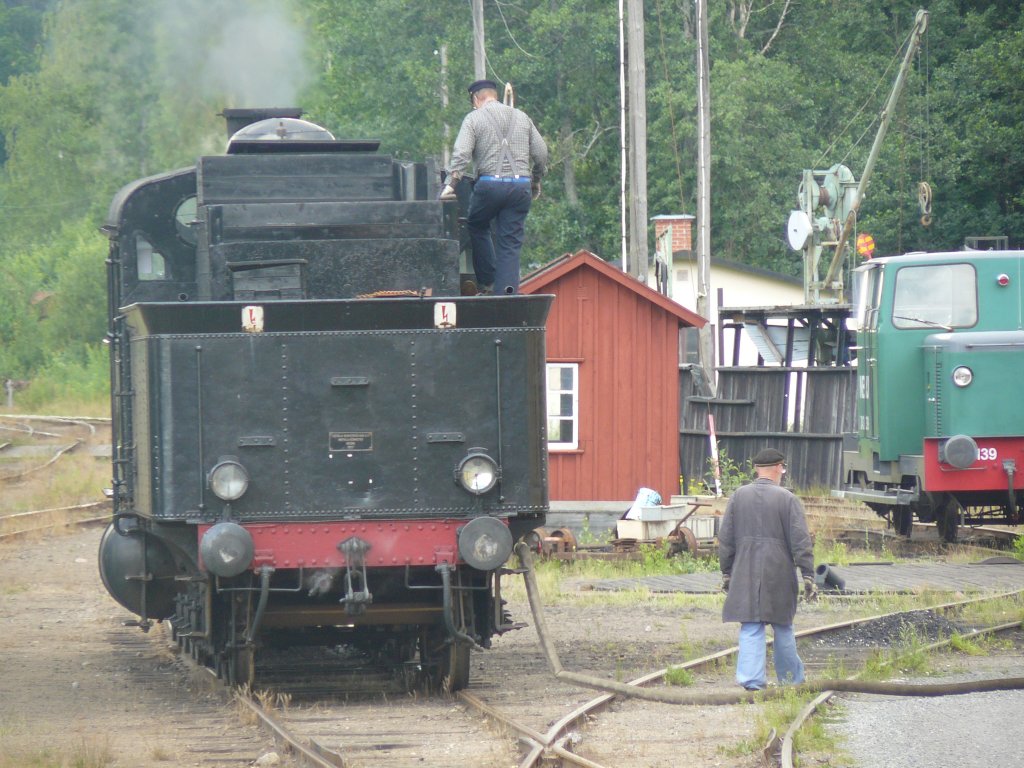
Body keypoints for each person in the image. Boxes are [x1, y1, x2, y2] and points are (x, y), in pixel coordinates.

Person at [719, 448, 815, 691]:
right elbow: (801, 540)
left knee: (751, 625)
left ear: (757, 469)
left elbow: (726, 538)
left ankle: (752, 682)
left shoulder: (738, 497)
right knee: (783, 625)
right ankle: (791, 681)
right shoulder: (788, 499)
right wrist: (807, 574)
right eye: (782, 468)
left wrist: (727, 572)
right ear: (777, 467)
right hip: (779, 571)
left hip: (745, 570)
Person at [441, 79, 548, 295]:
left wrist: (451, 184)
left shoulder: (473, 118)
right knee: (510, 243)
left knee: (477, 224)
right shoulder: (522, 117)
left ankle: (488, 282)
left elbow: (461, 153)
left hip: (489, 186)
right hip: (520, 187)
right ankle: (507, 292)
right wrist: (535, 180)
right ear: (495, 96)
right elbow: (541, 153)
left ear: (475, 99)